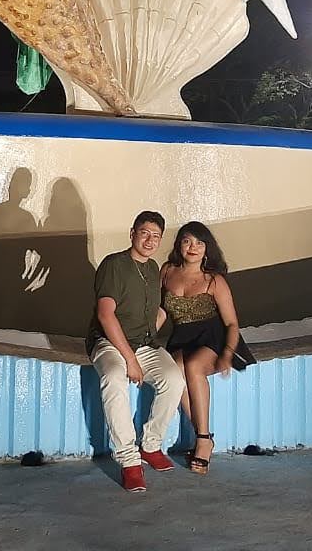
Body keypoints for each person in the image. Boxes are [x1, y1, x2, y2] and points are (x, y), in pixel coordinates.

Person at [86, 210, 185, 493]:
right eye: (144, 233)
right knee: (114, 378)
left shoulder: (153, 269)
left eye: (156, 236)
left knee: (174, 380)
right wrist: (130, 359)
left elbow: (155, 311)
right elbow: (106, 315)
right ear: (132, 234)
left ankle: (150, 445)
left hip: (143, 344)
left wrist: (155, 329)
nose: (150, 240)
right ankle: (129, 460)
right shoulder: (114, 265)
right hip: (109, 343)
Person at [161, 221, 255, 474]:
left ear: (207, 249)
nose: (192, 247)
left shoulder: (214, 280)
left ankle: (202, 439)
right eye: (187, 241)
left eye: (199, 243)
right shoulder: (167, 271)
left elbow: (232, 323)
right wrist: (142, 336)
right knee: (175, 372)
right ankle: (205, 437)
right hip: (180, 337)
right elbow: (161, 311)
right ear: (179, 245)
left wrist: (227, 354)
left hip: (212, 336)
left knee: (193, 366)